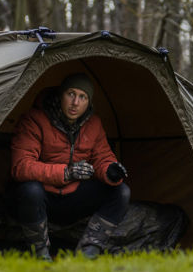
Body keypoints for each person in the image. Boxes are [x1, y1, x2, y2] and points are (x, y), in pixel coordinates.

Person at [10, 72, 130, 260]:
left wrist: (110, 171)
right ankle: (40, 254)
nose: (75, 102)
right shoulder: (34, 120)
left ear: (88, 103)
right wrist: (66, 173)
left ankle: (87, 253)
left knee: (121, 192)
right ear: (60, 95)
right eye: (71, 94)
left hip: (73, 199)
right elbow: (21, 166)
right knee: (30, 190)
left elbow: (103, 157)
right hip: (41, 199)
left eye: (82, 97)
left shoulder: (94, 124)